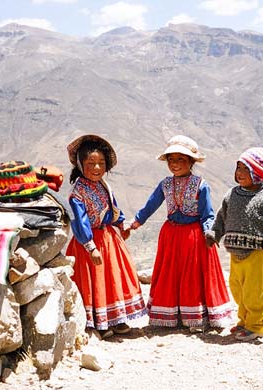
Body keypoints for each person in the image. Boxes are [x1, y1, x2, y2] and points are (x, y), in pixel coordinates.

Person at [127, 135, 234, 332]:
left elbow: (207, 213)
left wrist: (208, 233)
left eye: (181, 159)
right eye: (171, 159)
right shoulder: (165, 184)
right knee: (171, 273)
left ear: (191, 162)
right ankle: (172, 314)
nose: (175, 164)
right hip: (171, 235)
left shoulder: (201, 185)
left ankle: (195, 316)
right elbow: (151, 204)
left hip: (193, 236)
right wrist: (137, 221)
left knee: (191, 275)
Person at [206, 147, 263, 341]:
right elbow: (221, 218)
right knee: (237, 289)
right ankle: (244, 322)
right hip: (235, 253)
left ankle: (256, 327)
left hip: (257, 254)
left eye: (246, 169)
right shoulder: (231, 195)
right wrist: (214, 234)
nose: (240, 173)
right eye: (238, 168)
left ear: (258, 174)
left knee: (254, 293)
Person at [65, 134, 147, 339]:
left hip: (109, 239)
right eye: (91, 163)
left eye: (101, 163)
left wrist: (122, 225)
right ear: (80, 165)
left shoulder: (103, 185)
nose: (96, 168)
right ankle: (97, 322)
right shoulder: (77, 193)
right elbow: (79, 221)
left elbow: (113, 207)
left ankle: (117, 318)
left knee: (113, 278)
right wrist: (90, 246)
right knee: (95, 281)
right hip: (89, 242)